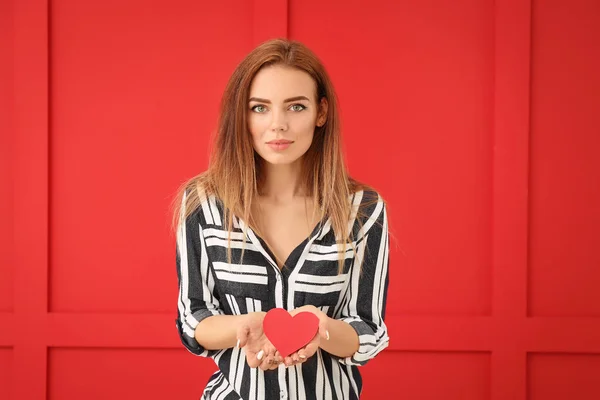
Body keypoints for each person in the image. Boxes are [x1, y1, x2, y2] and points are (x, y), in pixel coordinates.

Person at [173, 38, 390, 400]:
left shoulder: (362, 210)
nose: (278, 125)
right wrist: (244, 326)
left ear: (320, 113)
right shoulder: (204, 203)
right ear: (241, 115)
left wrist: (320, 329)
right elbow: (193, 318)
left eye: (296, 107)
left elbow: (367, 329)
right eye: (260, 108)